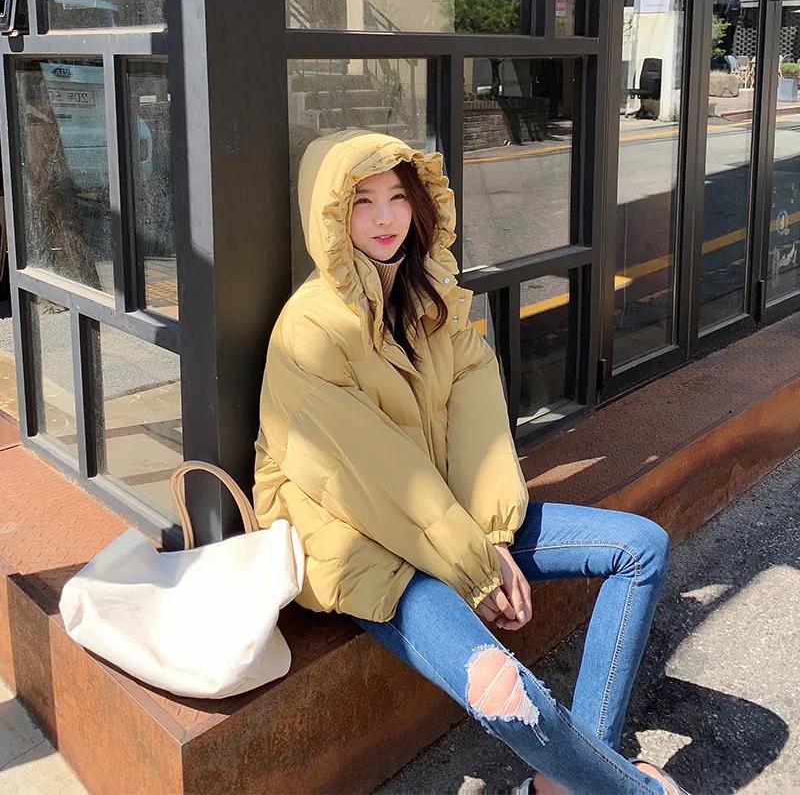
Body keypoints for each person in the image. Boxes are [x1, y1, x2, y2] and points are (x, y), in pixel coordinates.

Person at [253, 129, 689, 795]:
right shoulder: (308, 331)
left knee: (641, 548)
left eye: (398, 197)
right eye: (362, 201)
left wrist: (490, 535)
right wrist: (476, 568)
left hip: (445, 522)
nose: (384, 217)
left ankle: (566, 782)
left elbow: (479, 422)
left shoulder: (432, 300)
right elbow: (375, 478)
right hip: (355, 538)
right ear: (330, 215)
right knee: (501, 685)